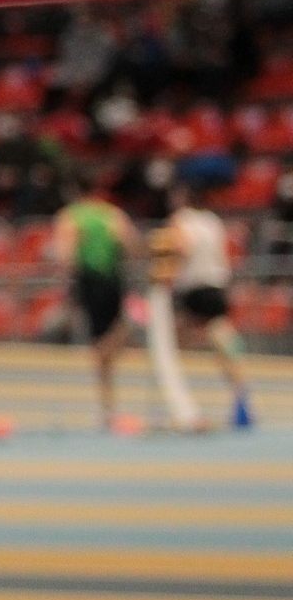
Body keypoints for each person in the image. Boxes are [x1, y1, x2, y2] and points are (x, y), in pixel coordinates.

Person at [160, 185, 254, 428]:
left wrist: (168, 272)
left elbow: (182, 248)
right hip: (217, 285)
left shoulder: (181, 219)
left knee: (170, 339)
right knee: (220, 335)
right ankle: (239, 389)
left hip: (194, 287)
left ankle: (180, 401)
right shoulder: (213, 221)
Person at [53, 176, 141, 429]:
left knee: (99, 344)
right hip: (114, 281)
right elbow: (132, 245)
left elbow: (64, 253)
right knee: (109, 338)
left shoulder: (72, 216)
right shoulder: (112, 214)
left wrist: (66, 284)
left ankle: (108, 405)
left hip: (90, 282)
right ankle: (108, 401)